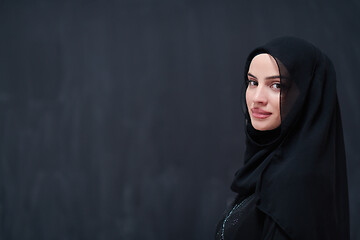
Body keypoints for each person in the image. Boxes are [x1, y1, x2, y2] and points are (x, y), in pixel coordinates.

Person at [215, 37, 350, 240]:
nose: (257, 97)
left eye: (276, 85)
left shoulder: (295, 184)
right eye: (252, 82)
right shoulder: (265, 169)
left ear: (306, 95)